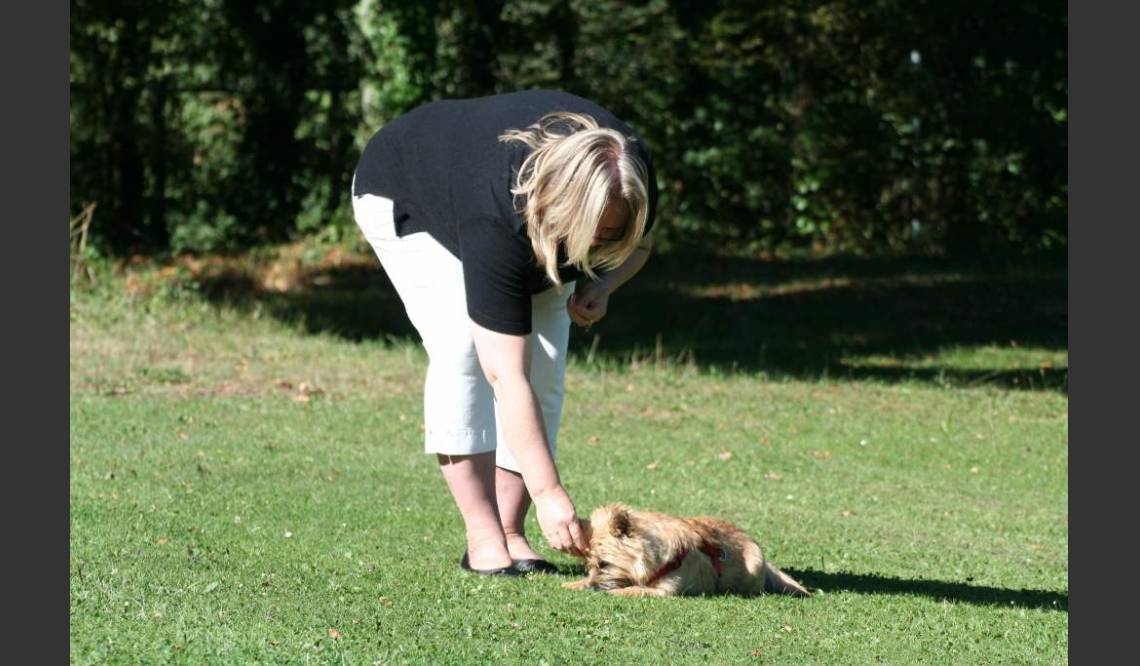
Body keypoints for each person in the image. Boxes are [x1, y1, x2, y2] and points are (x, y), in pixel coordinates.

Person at [350, 89, 657, 575]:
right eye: (591, 235)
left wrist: (603, 281)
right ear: (562, 210)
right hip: (408, 194)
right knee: (464, 351)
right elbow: (504, 375)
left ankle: (513, 534)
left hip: (529, 220)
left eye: (607, 235)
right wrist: (551, 493)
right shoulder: (496, 214)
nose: (601, 243)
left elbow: (639, 246)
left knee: (547, 363)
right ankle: (484, 537)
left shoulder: (627, 176)